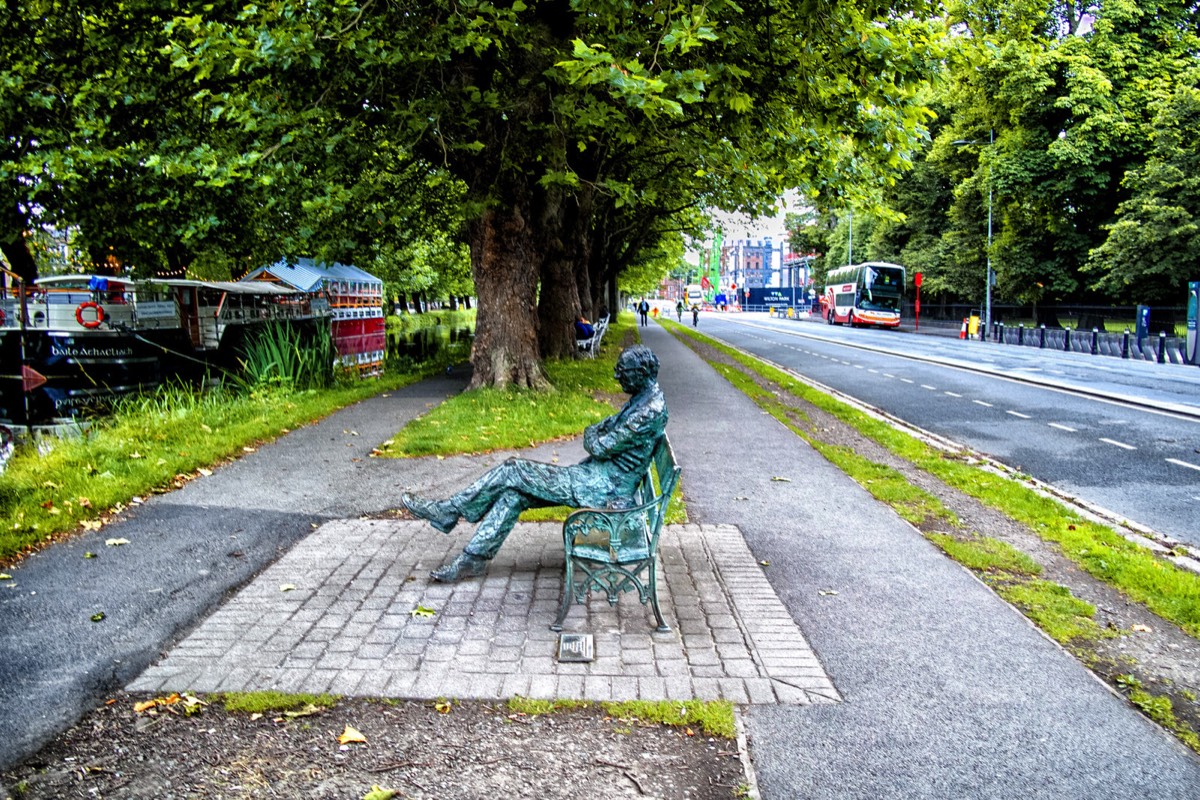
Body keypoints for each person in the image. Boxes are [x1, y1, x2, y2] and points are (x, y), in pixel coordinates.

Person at [401, 345, 669, 582]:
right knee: (513, 494)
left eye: (623, 370)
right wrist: (596, 435)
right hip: (595, 477)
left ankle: (449, 511)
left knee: (513, 468)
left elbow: (598, 444)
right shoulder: (643, 400)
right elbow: (596, 431)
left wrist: (596, 437)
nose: (616, 375)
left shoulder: (650, 410)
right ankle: (472, 558)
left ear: (642, 372)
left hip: (603, 490)